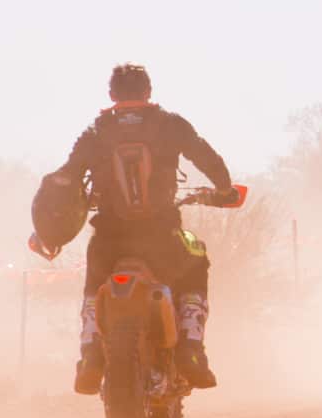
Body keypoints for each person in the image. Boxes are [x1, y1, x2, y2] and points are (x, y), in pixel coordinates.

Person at [36, 64, 238, 394]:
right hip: (162, 238)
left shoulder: (96, 132)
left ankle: (89, 355)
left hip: (109, 241)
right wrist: (224, 188)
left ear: (112, 94)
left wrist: (49, 226)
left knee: (92, 290)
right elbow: (208, 159)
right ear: (148, 92)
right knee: (196, 260)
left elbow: (67, 176)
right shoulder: (170, 124)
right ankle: (190, 348)